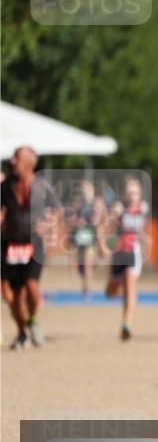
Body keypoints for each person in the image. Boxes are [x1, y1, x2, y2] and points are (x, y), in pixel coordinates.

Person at [1, 146, 61, 350]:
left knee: (32, 285)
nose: (13, 162)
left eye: (17, 158)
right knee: (16, 294)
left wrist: (49, 227)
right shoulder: (6, 187)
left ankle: (33, 319)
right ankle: (21, 333)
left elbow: (57, 212)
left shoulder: (42, 186)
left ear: (29, 162)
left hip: (34, 244)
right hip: (11, 245)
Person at [104, 177, 150, 341]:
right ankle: (117, 290)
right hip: (119, 253)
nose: (132, 196)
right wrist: (105, 247)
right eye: (129, 193)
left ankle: (127, 324)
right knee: (112, 291)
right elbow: (108, 230)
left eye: (136, 193)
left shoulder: (143, 209)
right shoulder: (118, 209)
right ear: (124, 194)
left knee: (130, 287)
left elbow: (140, 230)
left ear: (140, 194)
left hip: (133, 251)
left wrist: (145, 239)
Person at [69, 179, 106, 299]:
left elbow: (103, 217)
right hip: (80, 236)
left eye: (88, 189)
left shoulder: (98, 202)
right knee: (82, 266)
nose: (85, 191)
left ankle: (87, 289)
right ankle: (86, 273)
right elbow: (72, 220)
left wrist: (97, 221)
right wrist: (78, 222)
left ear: (92, 190)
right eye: (83, 189)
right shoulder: (78, 203)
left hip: (92, 236)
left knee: (87, 262)